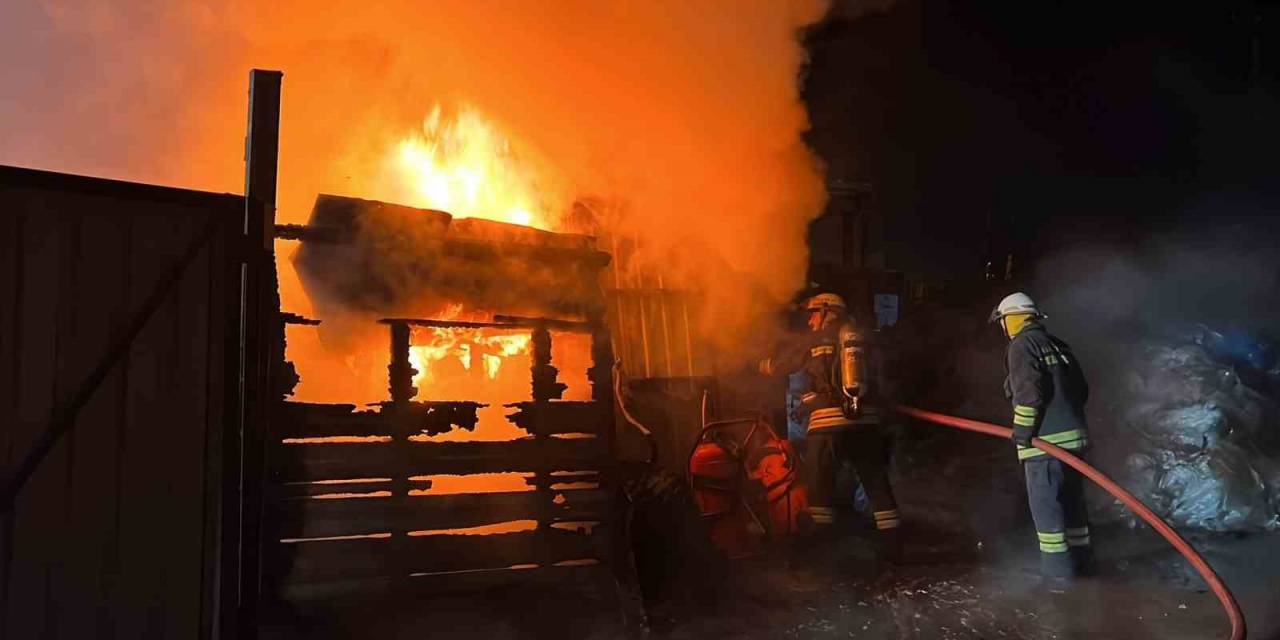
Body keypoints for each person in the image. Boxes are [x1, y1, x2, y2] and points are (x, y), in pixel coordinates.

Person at [758, 292, 901, 561]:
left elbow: (783, 366)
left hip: (826, 424)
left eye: (813, 313)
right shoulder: (863, 339)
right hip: (866, 422)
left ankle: (822, 553)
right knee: (875, 482)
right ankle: (892, 546)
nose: (810, 321)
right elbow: (882, 378)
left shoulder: (815, 340)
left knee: (819, 485)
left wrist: (761, 366)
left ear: (827, 311)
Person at [990, 292, 1093, 578]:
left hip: (1045, 446)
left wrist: (1023, 432)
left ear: (1011, 319)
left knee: (1049, 519)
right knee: (1074, 512)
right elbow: (1082, 390)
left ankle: (1060, 581)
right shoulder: (1058, 345)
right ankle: (1084, 569)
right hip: (1075, 443)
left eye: (1003, 321)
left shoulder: (1021, 346)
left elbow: (1029, 395)